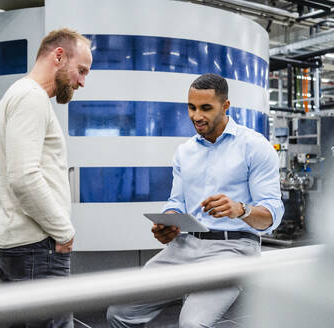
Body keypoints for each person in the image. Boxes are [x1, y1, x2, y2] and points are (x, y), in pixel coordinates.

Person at [107, 73, 284, 328]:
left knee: (192, 324)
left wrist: (240, 209)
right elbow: (176, 202)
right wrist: (168, 221)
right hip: (184, 245)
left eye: (205, 108)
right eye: (191, 107)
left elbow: (272, 214)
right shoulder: (185, 152)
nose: (196, 116)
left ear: (225, 106)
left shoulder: (255, 147)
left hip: (233, 250)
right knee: (120, 312)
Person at [0, 28, 92, 328]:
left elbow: (2, 177)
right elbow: (23, 177)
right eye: (81, 70)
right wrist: (64, 232)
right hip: (38, 248)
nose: (82, 82)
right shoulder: (31, 98)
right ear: (59, 56)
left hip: (17, 244)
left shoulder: (16, 94)